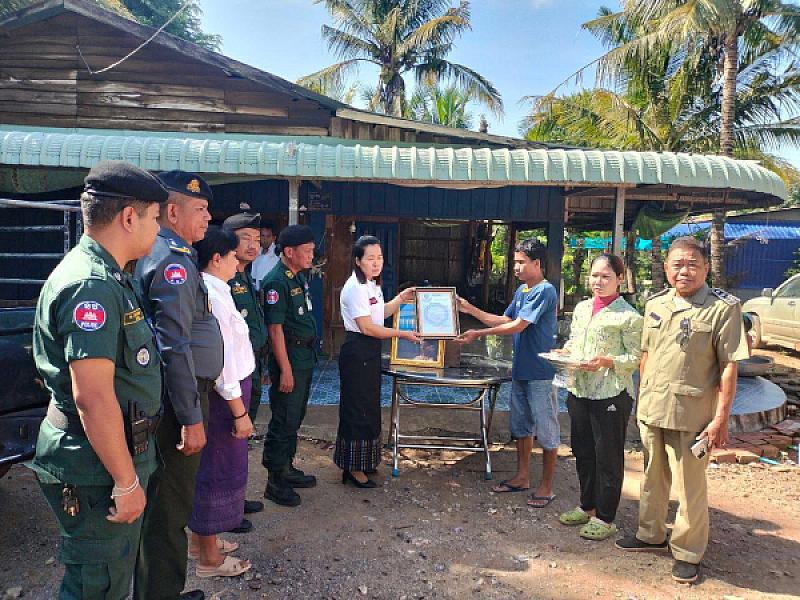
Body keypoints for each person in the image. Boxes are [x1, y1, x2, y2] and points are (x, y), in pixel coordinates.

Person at [30, 160, 166, 599]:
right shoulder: (91, 285)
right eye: (156, 218)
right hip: (96, 469)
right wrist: (126, 482)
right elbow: (91, 396)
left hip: (108, 456)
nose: (159, 230)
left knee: (111, 575)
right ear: (130, 217)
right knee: (97, 585)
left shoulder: (112, 276)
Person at [616, 236, 748, 584]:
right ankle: (650, 534)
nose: (684, 271)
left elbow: (729, 366)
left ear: (706, 267)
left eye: (692, 264)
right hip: (654, 408)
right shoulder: (656, 303)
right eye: (677, 264)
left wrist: (721, 418)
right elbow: (647, 355)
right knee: (651, 478)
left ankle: (688, 552)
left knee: (690, 487)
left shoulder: (724, 308)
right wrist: (641, 399)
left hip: (694, 415)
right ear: (666, 268)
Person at [134, 171, 222, 600]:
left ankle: (161, 588)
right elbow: (173, 345)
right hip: (177, 403)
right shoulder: (171, 262)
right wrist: (191, 417)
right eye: (200, 210)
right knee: (169, 507)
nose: (208, 217)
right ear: (172, 211)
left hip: (181, 397)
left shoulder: (177, 256)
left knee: (169, 505)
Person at [456, 238, 559, 507]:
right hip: (522, 370)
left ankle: (546, 487)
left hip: (541, 373)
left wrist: (478, 332)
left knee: (546, 430)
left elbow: (517, 326)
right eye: (515, 262)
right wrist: (469, 309)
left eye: (520, 262)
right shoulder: (523, 291)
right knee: (522, 426)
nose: (515, 267)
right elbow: (504, 319)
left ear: (536, 263)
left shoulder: (545, 291)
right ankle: (522, 477)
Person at [555, 254, 643, 541]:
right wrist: (565, 353)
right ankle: (587, 505)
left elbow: (635, 356)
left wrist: (608, 361)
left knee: (607, 455)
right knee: (583, 450)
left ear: (620, 279)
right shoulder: (581, 309)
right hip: (579, 388)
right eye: (594, 275)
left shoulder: (629, 316)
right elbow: (576, 341)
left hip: (611, 393)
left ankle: (606, 517)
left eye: (606, 276)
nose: (598, 281)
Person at [188, 227, 254, 579]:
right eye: (233, 256)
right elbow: (222, 360)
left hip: (227, 393)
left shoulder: (216, 288)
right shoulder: (210, 294)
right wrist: (239, 412)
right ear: (216, 258)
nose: (237, 262)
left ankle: (201, 541)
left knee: (213, 469)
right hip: (224, 396)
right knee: (216, 471)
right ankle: (209, 560)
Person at [335, 236, 418, 488]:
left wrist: (401, 298)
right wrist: (402, 334)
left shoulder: (372, 285)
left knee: (369, 406)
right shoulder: (354, 288)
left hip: (369, 352)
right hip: (358, 349)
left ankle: (366, 461)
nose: (376, 263)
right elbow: (368, 327)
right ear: (358, 261)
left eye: (379, 257)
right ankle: (352, 468)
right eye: (370, 258)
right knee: (356, 408)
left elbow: (379, 314)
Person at [261, 224, 319, 507]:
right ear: (289, 252)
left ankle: (287, 467)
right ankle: (274, 480)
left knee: (295, 417)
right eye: (307, 251)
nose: (311, 255)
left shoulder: (296, 277)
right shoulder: (277, 282)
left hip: (304, 359)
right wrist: (284, 369)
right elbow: (275, 330)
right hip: (290, 360)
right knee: (283, 418)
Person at [222, 212, 270, 490]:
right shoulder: (224, 279)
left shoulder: (246, 275)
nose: (253, 245)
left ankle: (235, 497)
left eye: (257, 239)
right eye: (245, 239)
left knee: (243, 436)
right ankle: (226, 503)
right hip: (233, 371)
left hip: (250, 367)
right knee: (230, 435)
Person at [251, 221, 279, 290]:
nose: (265, 239)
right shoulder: (256, 253)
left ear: (274, 238)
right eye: (262, 236)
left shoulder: (278, 253)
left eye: (268, 236)